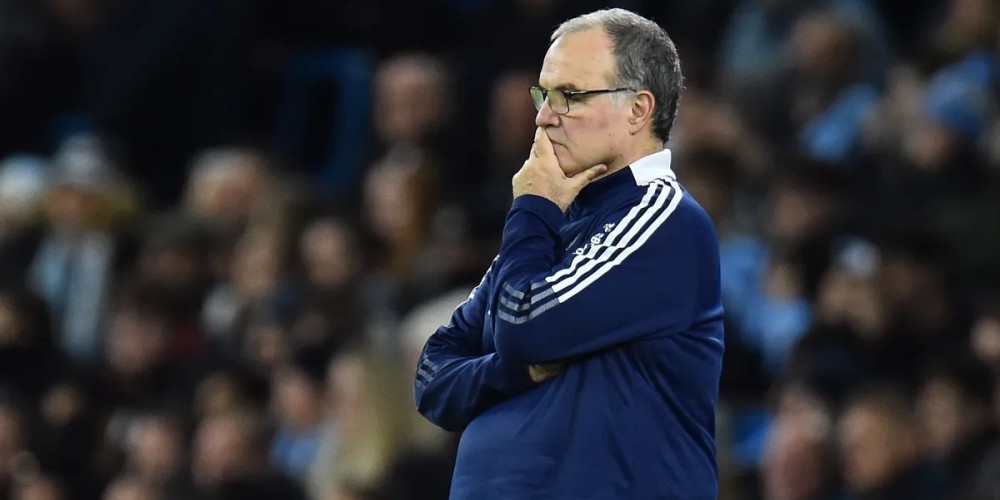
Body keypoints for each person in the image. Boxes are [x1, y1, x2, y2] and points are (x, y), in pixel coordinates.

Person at [413, 8, 725, 500]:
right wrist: (509, 371)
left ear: (638, 110)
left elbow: (523, 325)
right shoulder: (547, 227)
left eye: (570, 96)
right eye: (543, 95)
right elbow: (432, 377)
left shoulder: (664, 220)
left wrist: (532, 207)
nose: (543, 117)